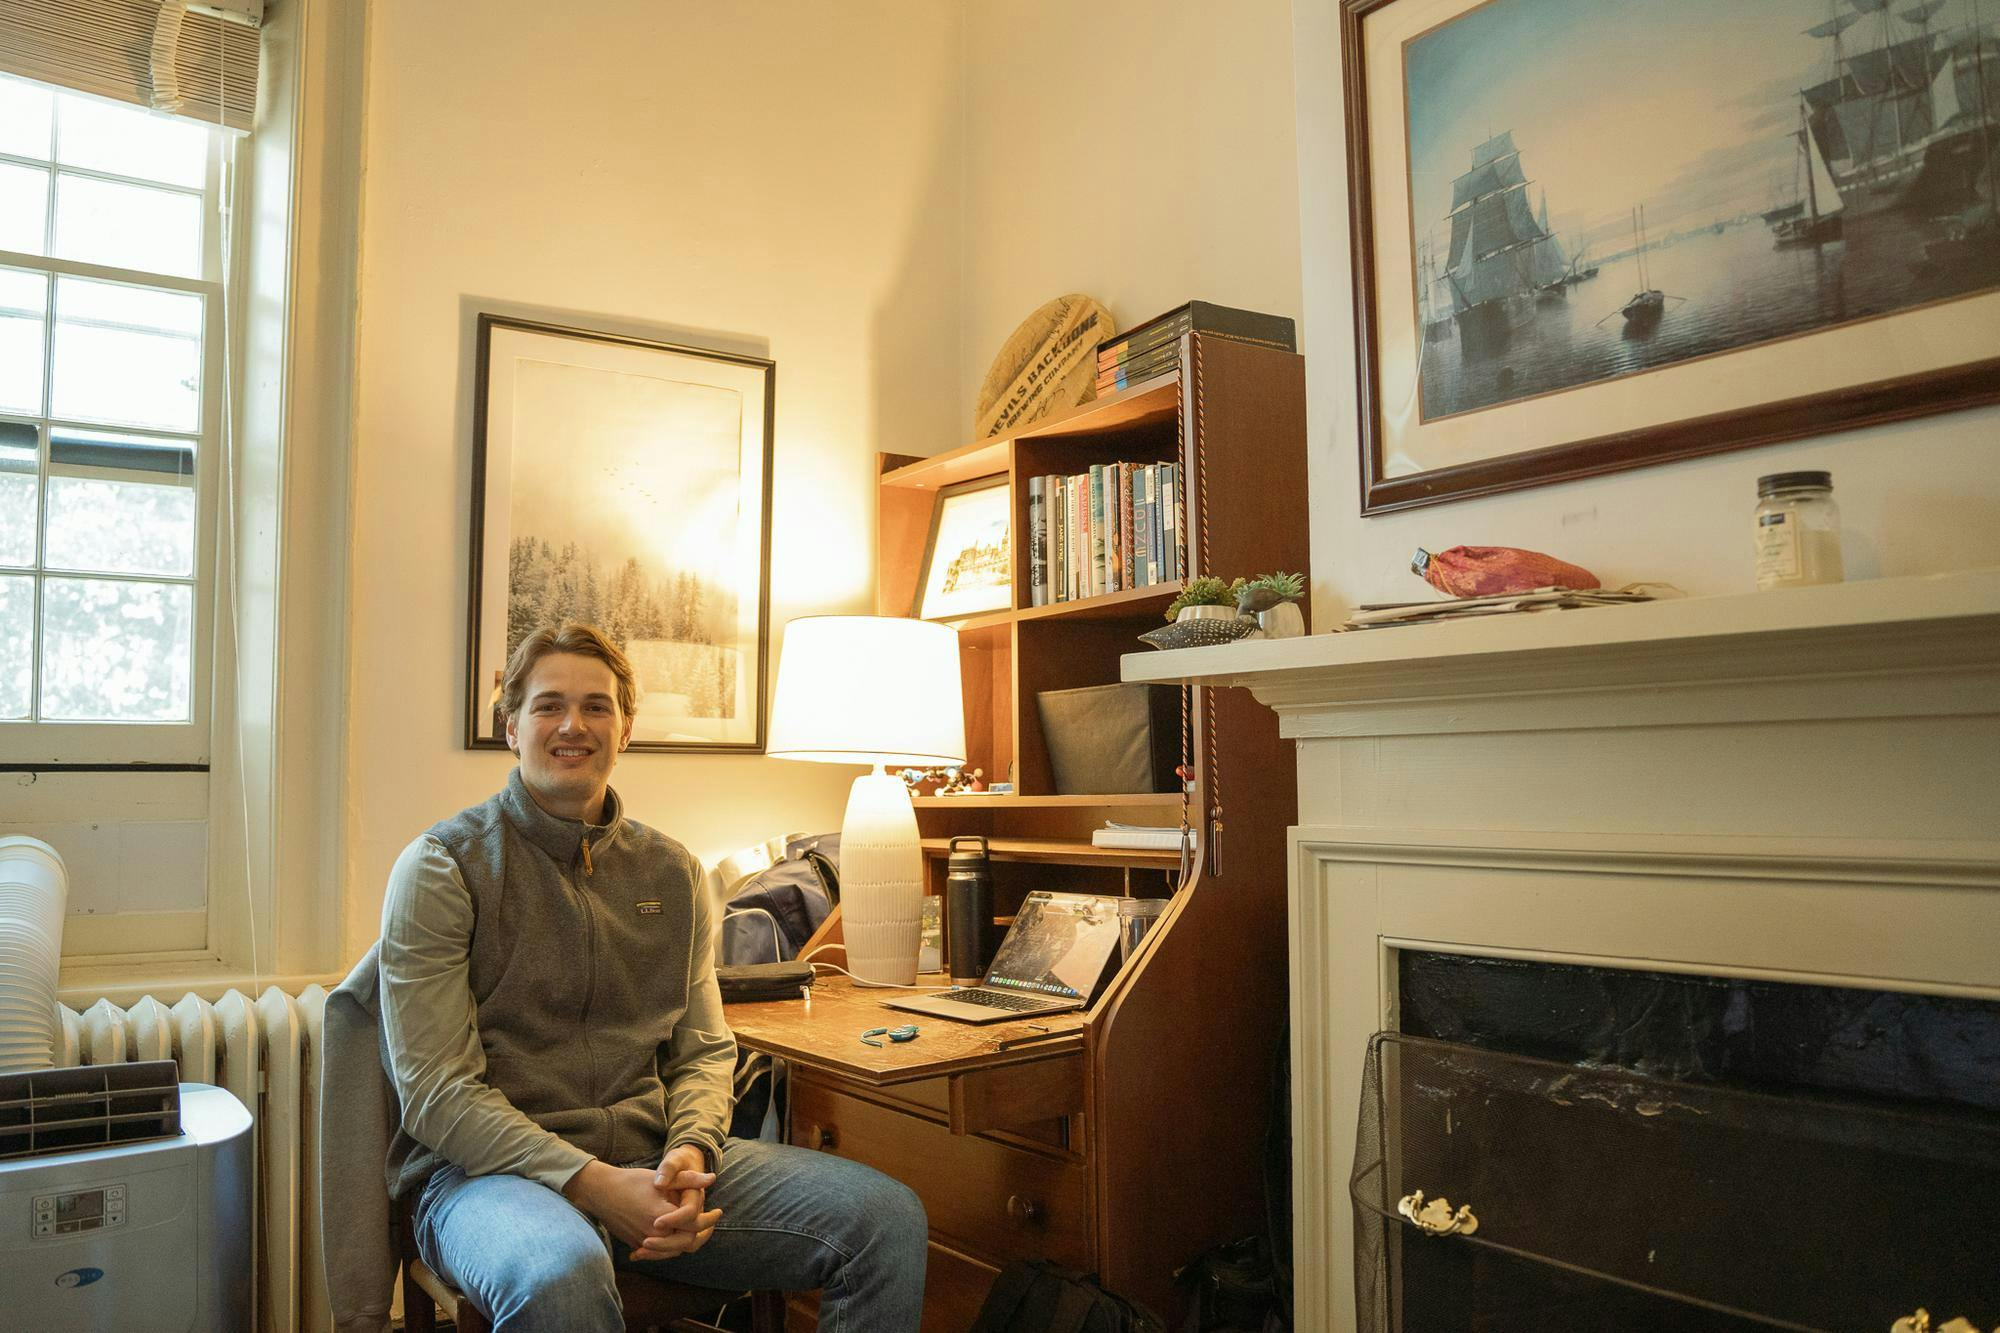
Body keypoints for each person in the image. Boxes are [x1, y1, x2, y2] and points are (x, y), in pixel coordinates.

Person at [378, 622, 927, 1332]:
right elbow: (437, 1095)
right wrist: (598, 1186)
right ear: (511, 726)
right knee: (561, 1276)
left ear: (626, 728)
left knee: (886, 1220)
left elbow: (703, 1048)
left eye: (596, 706)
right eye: (548, 705)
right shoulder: (442, 867)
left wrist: (690, 1154)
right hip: (486, 1178)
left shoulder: (674, 871)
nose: (573, 724)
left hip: (653, 1162)